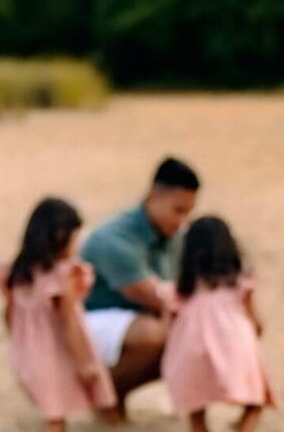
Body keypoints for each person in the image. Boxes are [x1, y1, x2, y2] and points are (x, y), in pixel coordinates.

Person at [0, 197, 115, 432]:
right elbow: (69, 323)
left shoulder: (19, 274)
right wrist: (84, 363)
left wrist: (20, 344)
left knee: (54, 420)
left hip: (26, 357)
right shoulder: (60, 276)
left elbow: (8, 316)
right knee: (55, 424)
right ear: (60, 236)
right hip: (50, 358)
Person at [161, 215, 277, 432]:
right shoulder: (239, 281)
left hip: (192, 350)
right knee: (255, 400)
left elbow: (170, 323)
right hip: (235, 342)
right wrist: (257, 331)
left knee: (196, 410)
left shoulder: (183, 288)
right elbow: (254, 319)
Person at [81, 157, 199, 416]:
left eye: (189, 212)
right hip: (83, 325)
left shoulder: (173, 234)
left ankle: (116, 393)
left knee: (199, 337)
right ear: (152, 196)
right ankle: (105, 397)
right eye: (178, 210)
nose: (183, 220)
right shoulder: (115, 240)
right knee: (156, 335)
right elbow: (157, 298)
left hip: (132, 320)